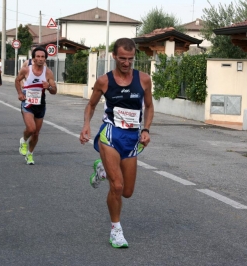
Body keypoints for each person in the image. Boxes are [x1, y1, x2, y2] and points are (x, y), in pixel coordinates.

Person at [79, 38, 154, 248]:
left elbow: (149, 107)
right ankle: (116, 230)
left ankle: (102, 170)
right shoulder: (104, 81)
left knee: (127, 192)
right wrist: (86, 125)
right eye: (122, 58)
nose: (127, 63)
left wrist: (146, 129)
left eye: (130, 59)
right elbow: (91, 105)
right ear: (114, 56)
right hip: (110, 134)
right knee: (117, 186)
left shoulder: (144, 80)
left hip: (132, 138)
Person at [14, 46, 57, 165]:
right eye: (38, 56)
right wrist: (19, 93)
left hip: (40, 103)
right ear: (33, 59)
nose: (40, 59)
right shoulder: (26, 70)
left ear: (45, 59)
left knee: (36, 133)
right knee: (31, 129)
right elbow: (17, 80)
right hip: (27, 102)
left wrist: (48, 86)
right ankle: (23, 140)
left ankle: (30, 154)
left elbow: (54, 91)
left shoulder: (48, 72)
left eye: (43, 57)